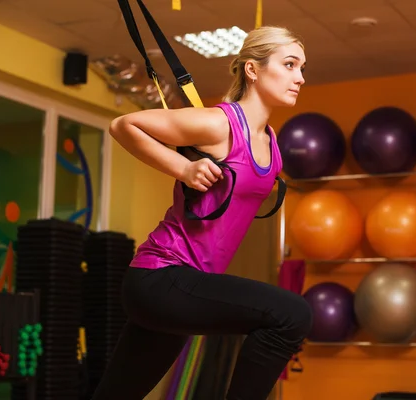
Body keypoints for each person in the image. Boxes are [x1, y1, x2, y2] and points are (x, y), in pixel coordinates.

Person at [91, 26, 312, 400]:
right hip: (162, 277)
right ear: (253, 71)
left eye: (302, 68)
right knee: (292, 315)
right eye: (289, 65)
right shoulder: (218, 124)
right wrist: (184, 169)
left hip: (184, 285)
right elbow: (123, 125)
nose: (300, 77)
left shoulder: (272, 144)